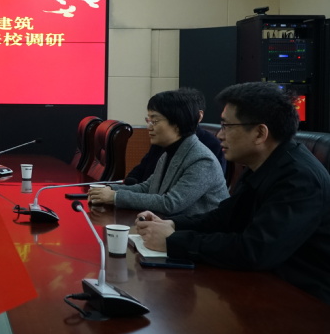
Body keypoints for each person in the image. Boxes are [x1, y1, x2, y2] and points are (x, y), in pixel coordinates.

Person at [137, 82, 330, 304]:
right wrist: (171, 224)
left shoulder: (299, 179)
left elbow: (254, 250)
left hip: (305, 302)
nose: (220, 135)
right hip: (263, 286)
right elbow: (224, 217)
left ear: (259, 133)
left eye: (227, 126)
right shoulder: (260, 164)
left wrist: (173, 241)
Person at [89, 89, 228, 218]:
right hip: (169, 225)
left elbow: (170, 203)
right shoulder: (169, 152)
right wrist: (108, 189)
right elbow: (147, 187)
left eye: (154, 121)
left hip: (199, 232)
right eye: (148, 120)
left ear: (177, 123)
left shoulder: (202, 160)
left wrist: (114, 197)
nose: (149, 127)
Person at [126, 87, 226, 183]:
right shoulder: (165, 143)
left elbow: (175, 195)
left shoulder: (205, 152)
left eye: (155, 120)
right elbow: (145, 176)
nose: (149, 127)